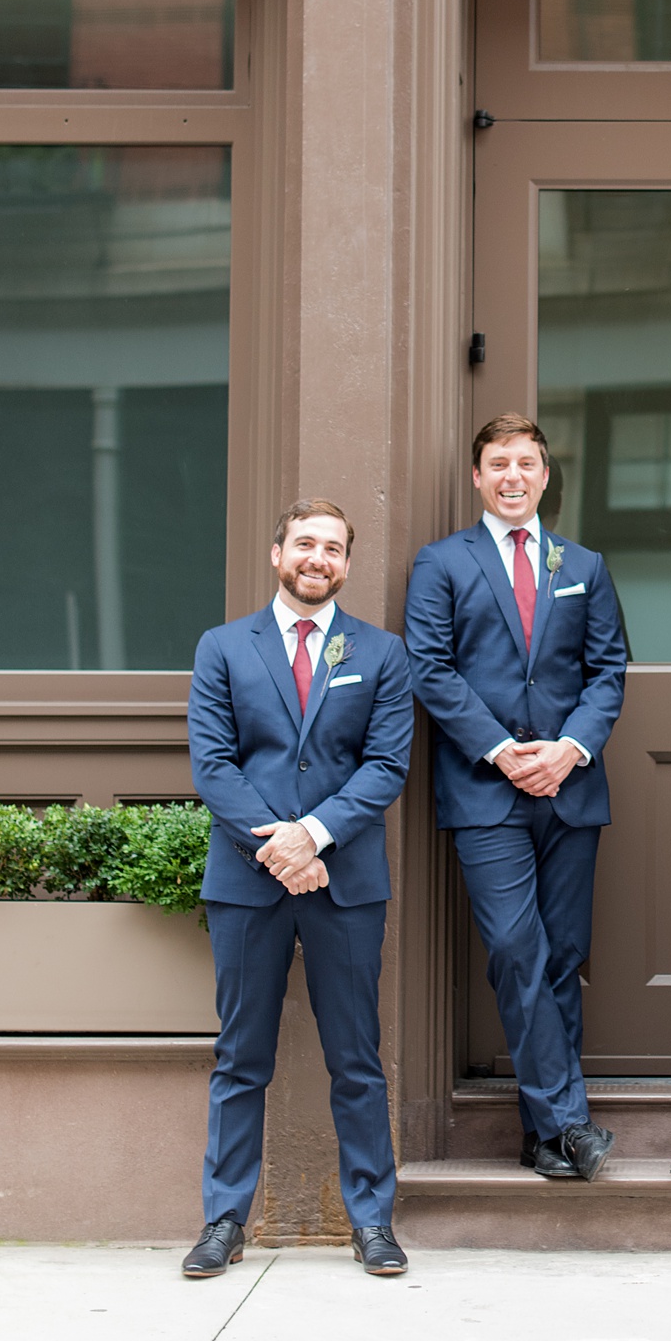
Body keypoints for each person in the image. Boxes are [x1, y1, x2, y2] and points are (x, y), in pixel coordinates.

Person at [184, 500, 415, 1279]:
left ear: (347, 564)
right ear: (277, 550)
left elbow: (386, 766)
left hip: (343, 883)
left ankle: (373, 1222)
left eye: (334, 548)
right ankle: (223, 1220)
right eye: (306, 543)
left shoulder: (382, 653)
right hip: (246, 885)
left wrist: (312, 837)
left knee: (356, 1056)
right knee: (240, 1055)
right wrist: (280, 847)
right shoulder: (223, 647)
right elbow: (214, 764)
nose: (318, 557)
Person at [403, 413, 627, 1182]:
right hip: (484, 790)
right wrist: (502, 750)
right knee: (514, 947)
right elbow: (431, 668)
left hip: (571, 786)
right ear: (478, 476)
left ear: (544, 475)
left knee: (560, 957)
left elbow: (608, 670)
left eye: (526, 462)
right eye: (498, 462)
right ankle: (570, 1121)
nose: (513, 475)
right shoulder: (441, 564)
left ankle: (543, 1138)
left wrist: (568, 749)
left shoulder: (583, 564)